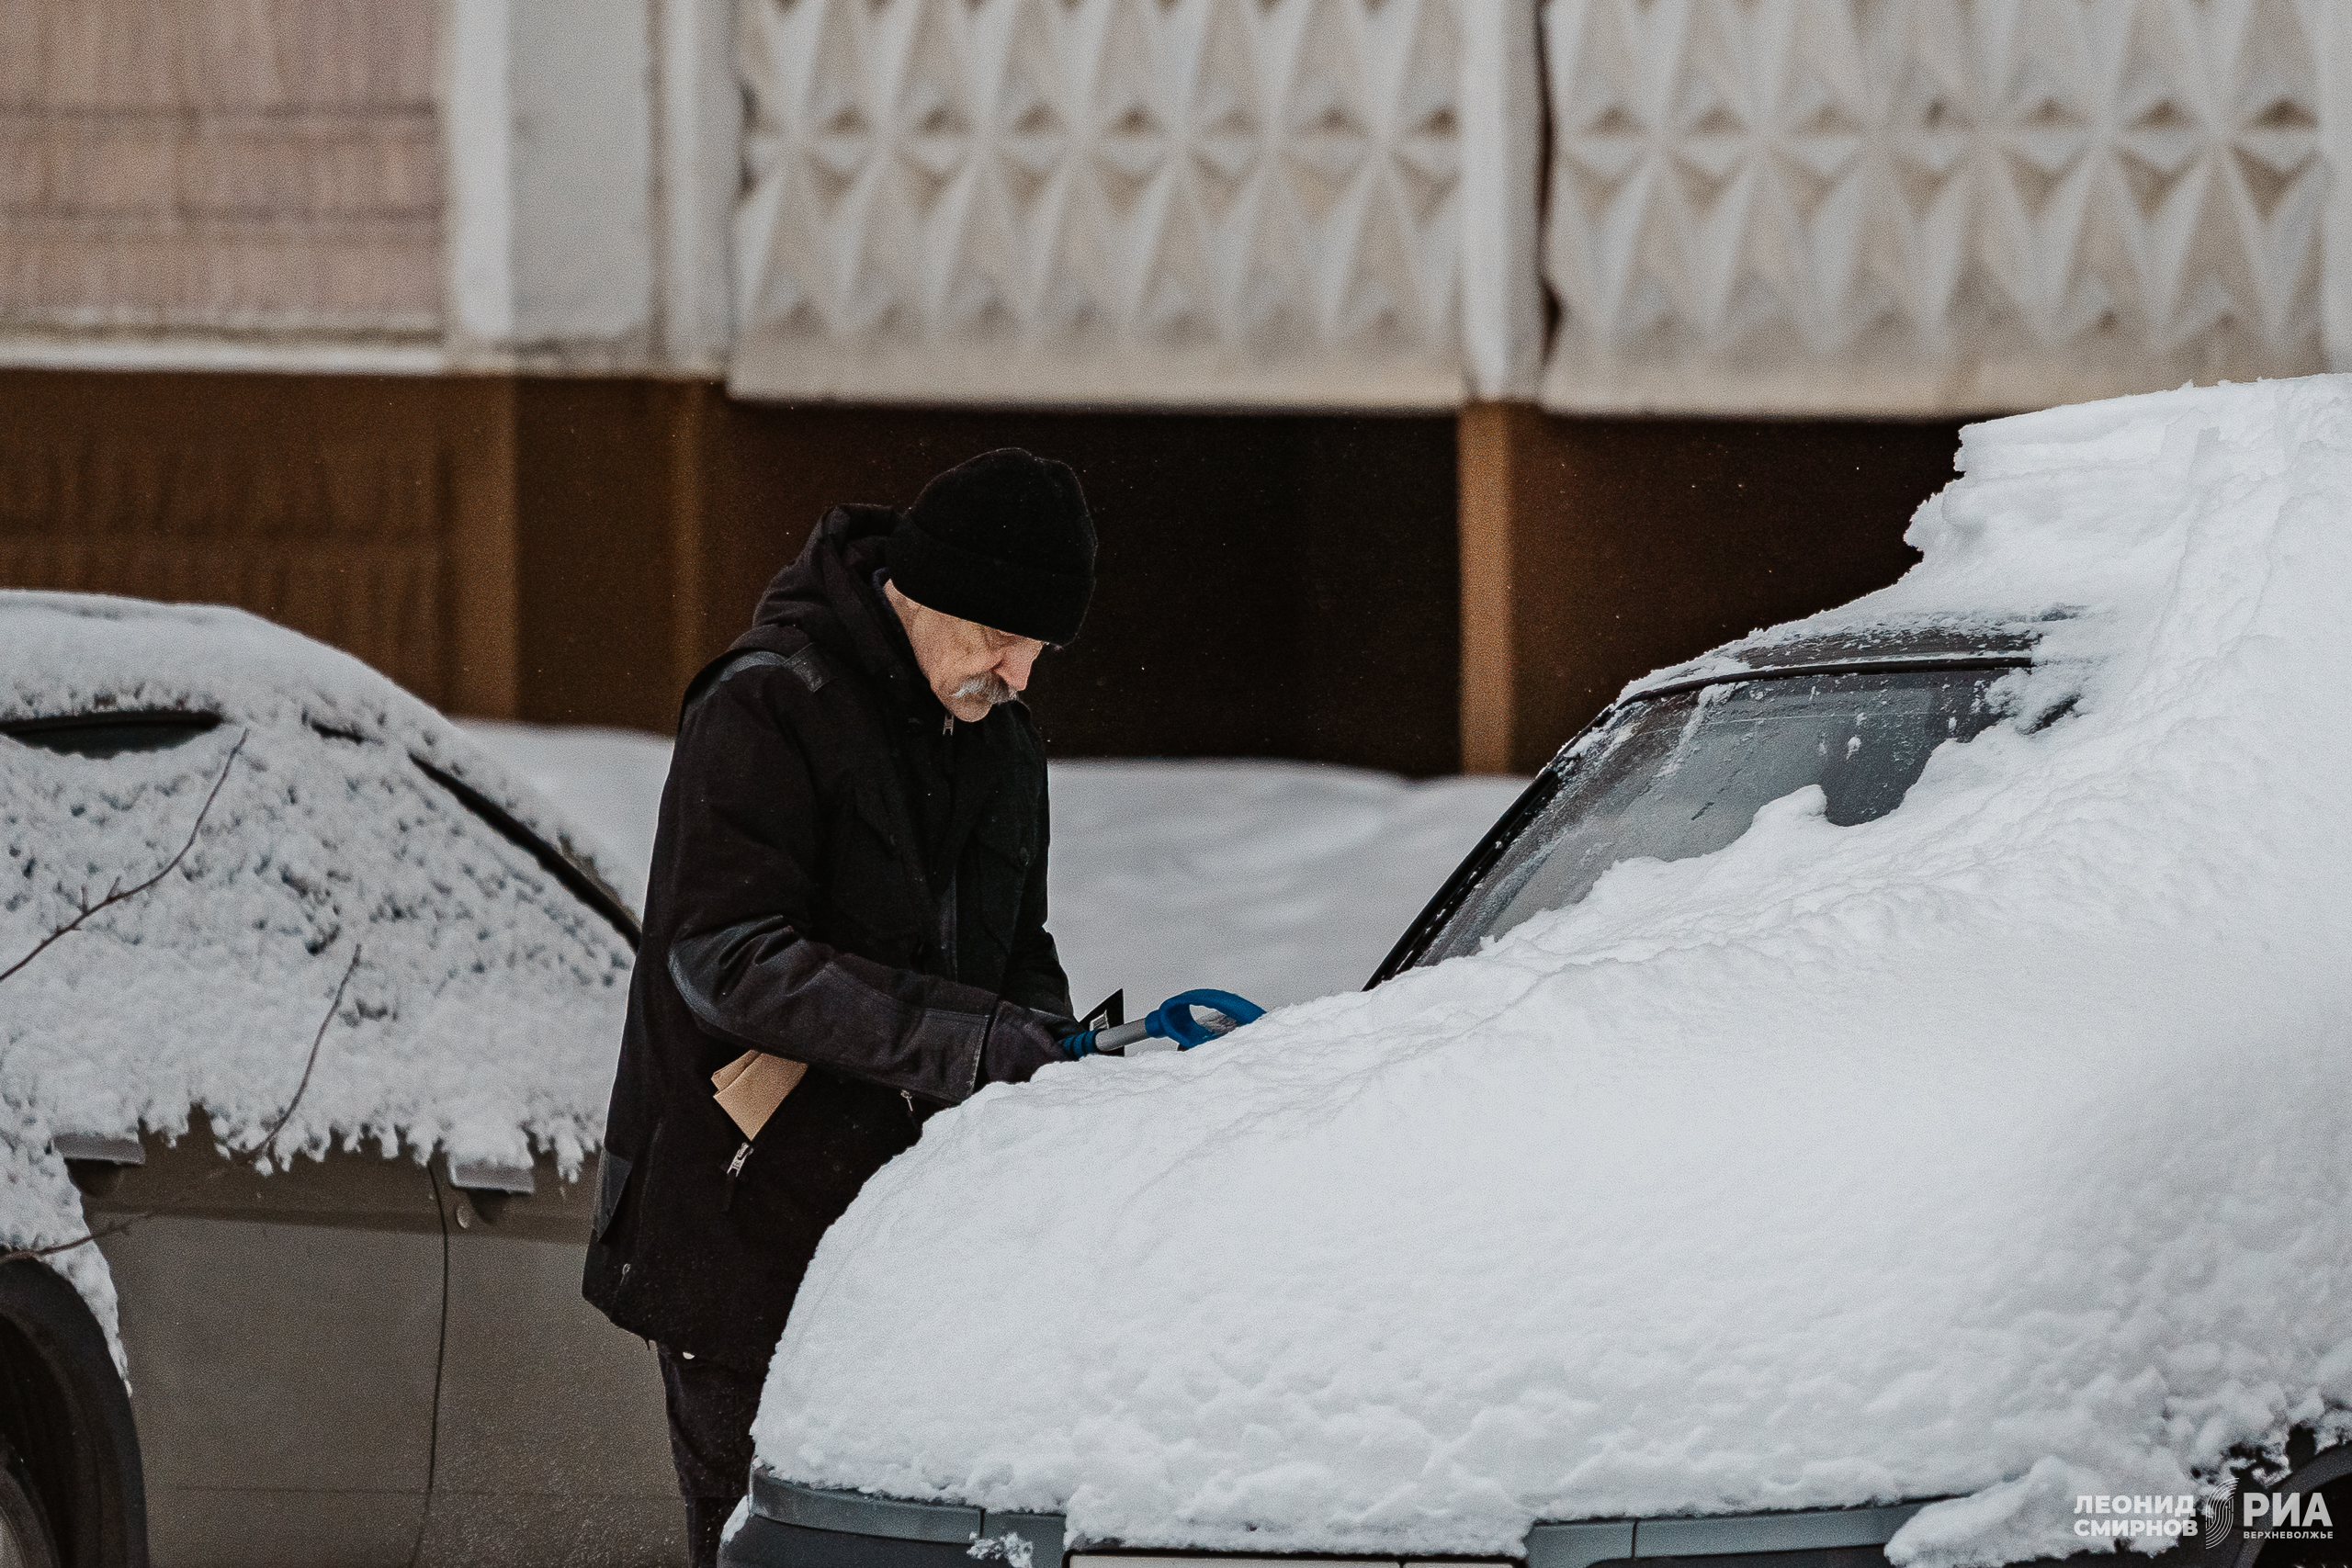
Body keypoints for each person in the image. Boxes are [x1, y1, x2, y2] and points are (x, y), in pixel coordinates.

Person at [582, 448, 1093, 1567]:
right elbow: (725, 958)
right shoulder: (767, 702)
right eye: (997, 638)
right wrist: (965, 1046)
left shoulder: (1003, 744)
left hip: (922, 1234)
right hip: (743, 1224)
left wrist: (1050, 1045)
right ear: (918, 594)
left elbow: (1018, 950)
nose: (1015, 673)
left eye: (1035, 651)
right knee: (762, 1540)